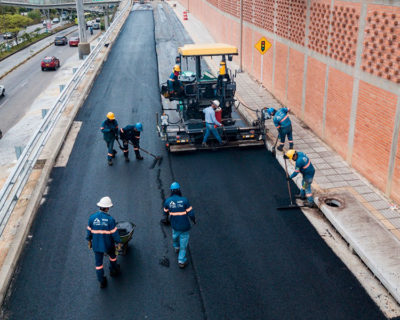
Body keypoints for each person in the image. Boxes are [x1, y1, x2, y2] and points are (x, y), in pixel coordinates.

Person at [86, 196, 122, 288]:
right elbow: (114, 234)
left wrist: (89, 240)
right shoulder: (110, 220)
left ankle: (102, 281)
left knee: (98, 264)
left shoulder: (92, 218)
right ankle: (113, 270)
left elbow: (89, 232)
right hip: (108, 244)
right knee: (113, 257)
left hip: (96, 246)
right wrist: (119, 242)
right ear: (107, 208)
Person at [163, 182, 195, 268]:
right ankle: (181, 261)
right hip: (185, 226)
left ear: (171, 191)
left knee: (175, 237)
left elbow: (165, 212)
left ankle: (176, 247)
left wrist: (166, 219)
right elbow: (191, 214)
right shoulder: (185, 200)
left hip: (175, 225)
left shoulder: (168, 201)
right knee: (183, 244)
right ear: (179, 190)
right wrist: (194, 220)